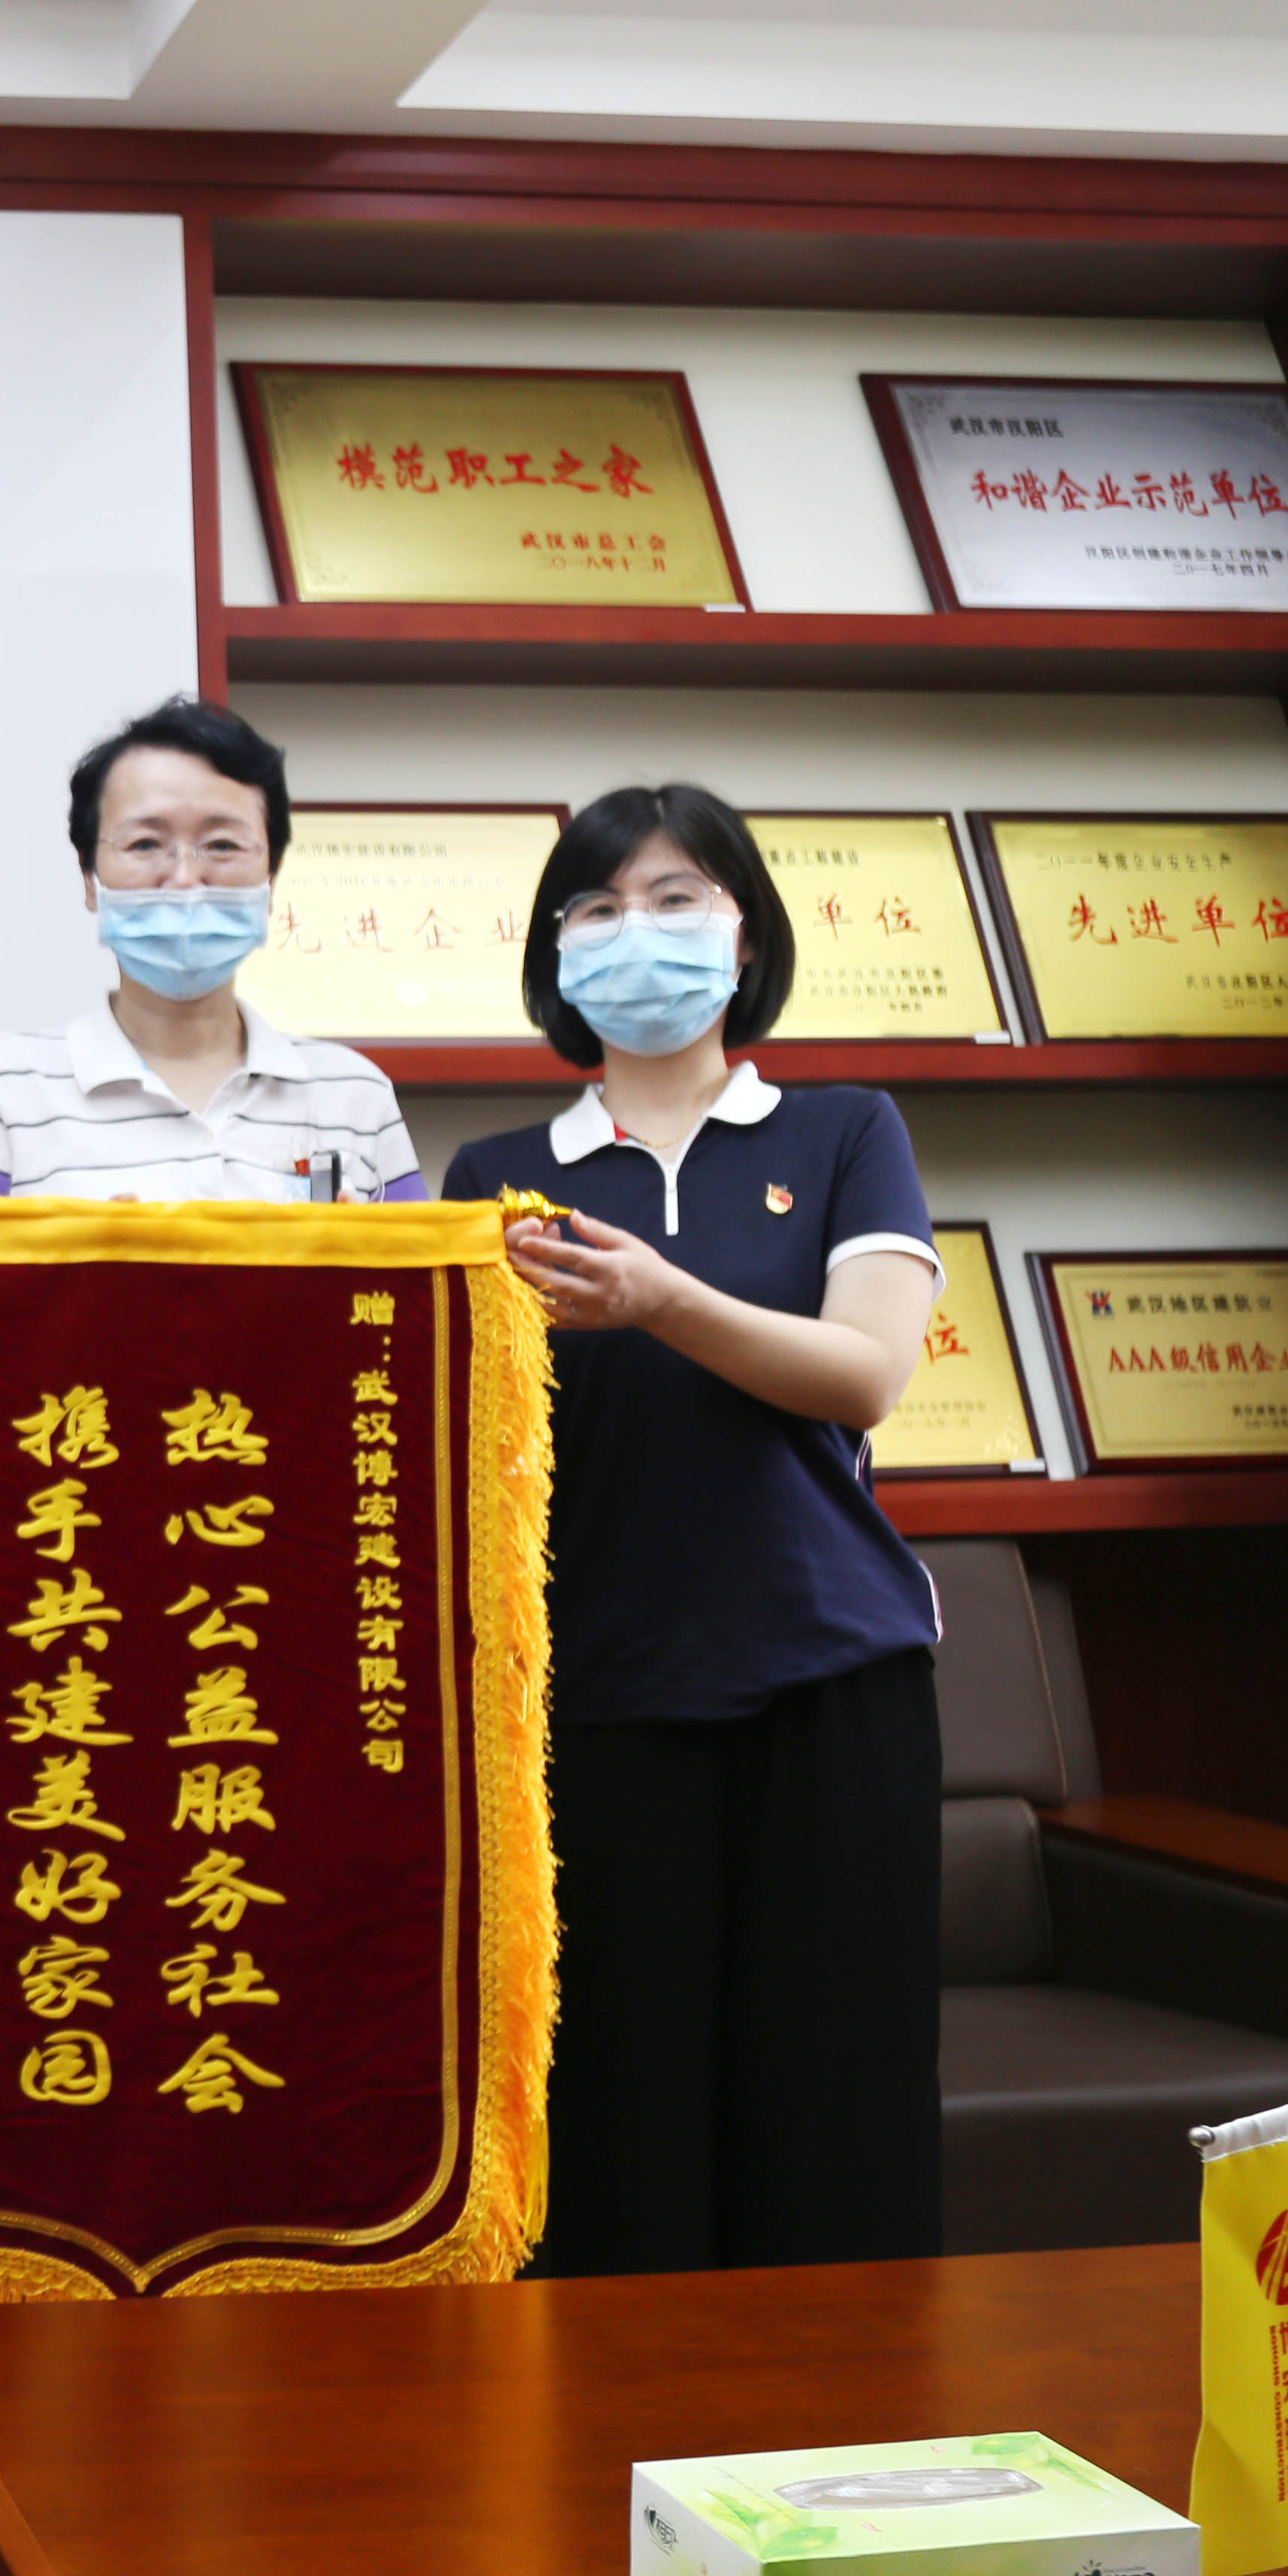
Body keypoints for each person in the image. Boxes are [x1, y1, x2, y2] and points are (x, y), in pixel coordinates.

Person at [440, 782, 944, 2277]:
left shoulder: (846, 1130)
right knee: (617, 2126)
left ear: (746, 934)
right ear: (554, 954)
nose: (635, 932)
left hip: (829, 1678)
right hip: (593, 1695)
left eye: (676, 900)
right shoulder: (494, 1178)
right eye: (596, 907)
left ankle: (844, 2418)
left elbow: (864, 1374)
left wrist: (661, 1300)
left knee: (835, 2116)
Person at [0, 695, 419, 1202]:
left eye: (223, 845)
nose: (184, 879)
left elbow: (419, 1256)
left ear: (271, 877)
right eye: (145, 844)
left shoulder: (356, 1095)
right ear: (90, 879)